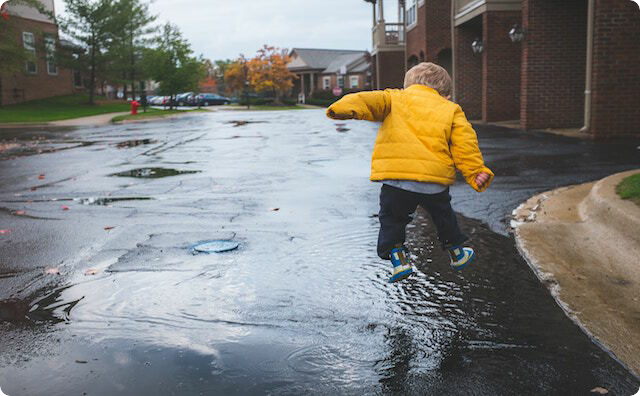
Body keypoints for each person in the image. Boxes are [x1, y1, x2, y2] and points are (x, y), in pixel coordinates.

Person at [326, 62, 493, 283]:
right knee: (443, 215)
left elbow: (365, 100)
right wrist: (475, 172)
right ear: (445, 93)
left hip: (397, 180)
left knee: (392, 218)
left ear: (408, 85)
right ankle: (456, 252)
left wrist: (341, 108)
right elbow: (465, 144)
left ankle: (399, 258)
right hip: (433, 181)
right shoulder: (451, 109)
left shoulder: (394, 98)